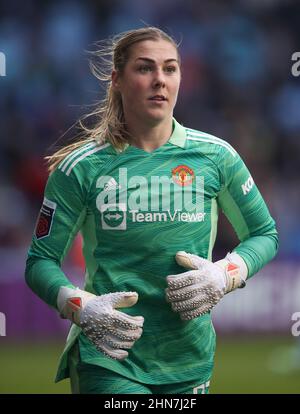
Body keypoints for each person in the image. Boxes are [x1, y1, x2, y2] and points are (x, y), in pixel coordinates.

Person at [25, 27, 278, 394]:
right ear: (117, 80)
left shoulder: (216, 157)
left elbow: (264, 234)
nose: (160, 79)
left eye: (170, 68)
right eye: (145, 68)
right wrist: (80, 306)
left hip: (189, 359)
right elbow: (40, 261)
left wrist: (226, 274)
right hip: (109, 357)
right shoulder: (81, 167)